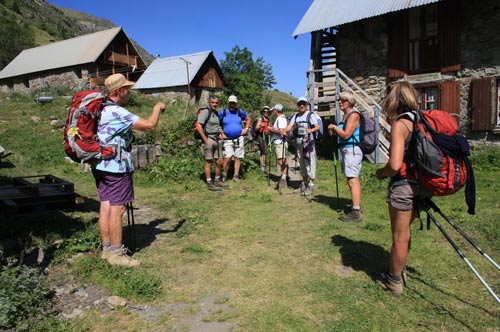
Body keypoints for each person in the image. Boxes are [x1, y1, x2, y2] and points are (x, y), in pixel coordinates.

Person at [91, 73, 165, 267]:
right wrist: (157, 108)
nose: (129, 92)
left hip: (100, 164)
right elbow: (149, 126)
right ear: (119, 91)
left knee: (105, 205)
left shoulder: (100, 109)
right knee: (118, 208)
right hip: (116, 166)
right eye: (127, 89)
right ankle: (117, 254)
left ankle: (107, 249)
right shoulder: (117, 112)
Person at [375, 81, 432, 296]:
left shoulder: (400, 124)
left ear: (393, 99)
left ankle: (394, 280)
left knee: (400, 236)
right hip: (423, 184)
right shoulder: (421, 120)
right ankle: (400, 268)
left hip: (404, 186)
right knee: (405, 233)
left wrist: (381, 173)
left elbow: (395, 165)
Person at [328, 91, 363, 222]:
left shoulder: (353, 115)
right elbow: (340, 134)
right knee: (353, 179)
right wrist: (333, 130)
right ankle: (356, 207)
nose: (339, 102)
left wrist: (335, 128)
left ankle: (356, 212)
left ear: (349, 102)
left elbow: (346, 134)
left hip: (352, 150)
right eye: (339, 100)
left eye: (342, 100)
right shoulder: (346, 116)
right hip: (348, 150)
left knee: (352, 180)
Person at [282, 96, 320, 196]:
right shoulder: (296, 116)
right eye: (300, 104)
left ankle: (311, 185)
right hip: (298, 144)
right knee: (301, 164)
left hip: (308, 144)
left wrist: (310, 130)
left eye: (303, 103)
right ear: (298, 105)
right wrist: (283, 131)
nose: (301, 105)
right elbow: (289, 127)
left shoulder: (310, 115)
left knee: (310, 163)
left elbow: (317, 127)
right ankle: (304, 183)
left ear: (307, 105)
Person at [196, 95, 228, 191]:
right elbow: (198, 126)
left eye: (216, 102)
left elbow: (217, 126)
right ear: (209, 102)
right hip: (209, 139)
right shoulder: (205, 112)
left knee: (219, 161)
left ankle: (217, 180)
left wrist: (221, 134)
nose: (215, 104)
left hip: (217, 139)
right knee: (209, 162)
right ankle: (209, 183)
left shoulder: (216, 114)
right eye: (213, 102)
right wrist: (205, 140)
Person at [219, 95, 251, 182]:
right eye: (231, 103)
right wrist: (220, 133)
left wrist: (246, 129)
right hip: (227, 139)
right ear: (228, 103)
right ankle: (224, 174)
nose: (232, 105)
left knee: (237, 157)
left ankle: (236, 175)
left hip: (239, 138)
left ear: (236, 103)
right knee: (228, 157)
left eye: (234, 103)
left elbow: (248, 119)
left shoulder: (240, 112)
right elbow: (216, 122)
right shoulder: (223, 112)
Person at [268, 104, 288, 190]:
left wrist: (270, 129)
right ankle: (283, 178)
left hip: (280, 143)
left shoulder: (281, 119)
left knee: (281, 161)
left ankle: (283, 178)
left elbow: (282, 132)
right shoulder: (280, 119)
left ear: (276, 111)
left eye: (273, 111)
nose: (272, 112)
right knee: (282, 161)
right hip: (279, 143)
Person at [254, 106, 271, 172]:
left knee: (263, 151)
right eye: (265, 111)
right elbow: (256, 128)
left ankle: (262, 165)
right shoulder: (260, 119)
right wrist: (261, 125)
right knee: (265, 150)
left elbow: (269, 127)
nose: (266, 112)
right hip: (261, 135)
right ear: (263, 112)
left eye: (267, 112)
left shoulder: (268, 119)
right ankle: (263, 165)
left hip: (266, 135)